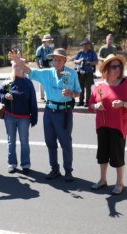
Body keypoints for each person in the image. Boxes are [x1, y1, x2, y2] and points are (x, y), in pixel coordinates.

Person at [10, 49, 81, 182]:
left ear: (65, 60)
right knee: (50, 142)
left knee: (65, 143)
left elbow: (78, 92)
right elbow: (29, 71)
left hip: (64, 112)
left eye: (59, 59)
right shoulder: (47, 73)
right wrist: (18, 62)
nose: (56, 62)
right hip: (49, 111)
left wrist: (71, 94)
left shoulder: (72, 74)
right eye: (54, 59)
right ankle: (54, 169)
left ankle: (68, 171)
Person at [88, 54, 127, 195]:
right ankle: (103, 180)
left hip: (118, 126)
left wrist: (123, 104)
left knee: (117, 156)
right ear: (106, 69)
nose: (118, 69)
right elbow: (90, 104)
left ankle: (119, 183)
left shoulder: (126, 84)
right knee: (102, 155)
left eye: (119, 66)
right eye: (114, 67)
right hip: (102, 125)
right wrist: (96, 106)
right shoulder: (99, 85)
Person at [0, 59, 38, 174]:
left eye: (19, 66)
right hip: (9, 116)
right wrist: (5, 96)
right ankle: (12, 164)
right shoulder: (8, 81)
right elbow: (0, 94)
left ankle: (25, 164)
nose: (17, 69)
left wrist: (34, 117)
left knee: (24, 141)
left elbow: (33, 102)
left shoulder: (28, 83)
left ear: (23, 67)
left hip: (24, 118)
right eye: (15, 67)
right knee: (11, 141)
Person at [74, 38, 98, 107]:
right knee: (80, 88)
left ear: (89, 45)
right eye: (84, 45)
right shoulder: (80, 53)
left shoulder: (93, 53)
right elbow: (75, 61)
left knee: (88, 88)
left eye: (87, 44)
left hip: (88, 72)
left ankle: (87, 102)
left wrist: (89, 62)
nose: (85, 46)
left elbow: (96, 62)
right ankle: (81, 101)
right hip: (80, 72)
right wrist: (79, 61)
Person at [35, 34, 54, 100]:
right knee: (42, 81)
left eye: (50, 40)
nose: (49, 42)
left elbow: (53, 57)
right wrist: (39, 67)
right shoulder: (40, 49)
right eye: (48, 40)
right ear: (45, 41)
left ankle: (49, 95)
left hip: (50, 66)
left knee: (50, 81)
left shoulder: (51, 48)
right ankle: (42, 96)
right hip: (42, 66)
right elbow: (37, 58)